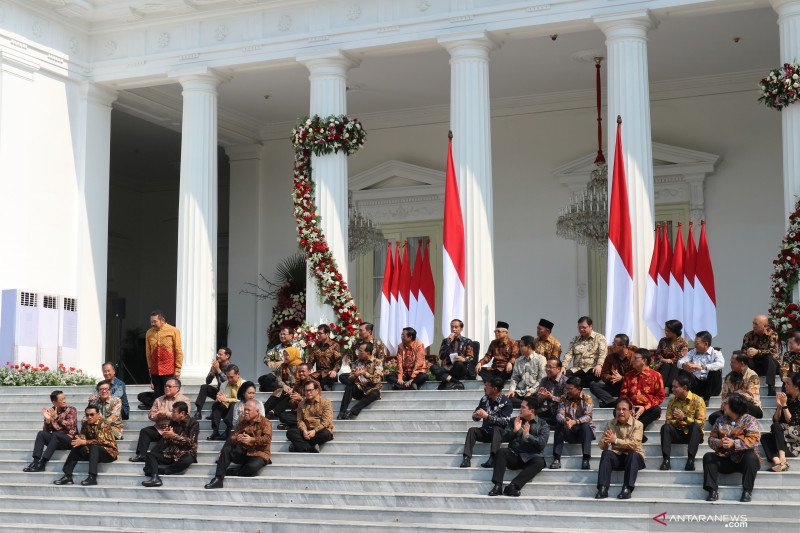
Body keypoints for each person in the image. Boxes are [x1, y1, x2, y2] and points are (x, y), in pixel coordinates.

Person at [703, 393, 761, 502]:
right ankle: (712, 490)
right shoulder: (720, 420)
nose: (723, 405)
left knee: (751, 456)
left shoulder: (749, 420)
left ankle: (747, 491)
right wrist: (719, 442)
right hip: (726, 459)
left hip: (744, 460)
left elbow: (754, 440)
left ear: (734, 406)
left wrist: (734, 443)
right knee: (708, 457)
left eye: (726, 403)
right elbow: (710, 439)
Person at [488, 396, 549, 497]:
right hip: (515, 456)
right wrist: (514, 431)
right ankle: (497, 486)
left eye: (523, 407)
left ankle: (513, 486)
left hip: (531, 457)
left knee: (540, 462)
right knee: (501, 452)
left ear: (532, 410)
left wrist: (528, 436)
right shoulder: (514, 421)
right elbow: (503, 437)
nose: (520, 409)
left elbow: (542, 444)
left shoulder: (543, 424)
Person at [204, 400, 272, 489]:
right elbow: (233, 436)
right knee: (227, 450)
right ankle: (218, 479)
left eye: (249, 410)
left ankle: (235, 471)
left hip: (259, 453)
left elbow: (267, 439)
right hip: (244, 451)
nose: (246, 412)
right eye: (245, 409)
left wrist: (252, 440)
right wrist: (237, 438)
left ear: (257, 411)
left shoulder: (265, 422)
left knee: (251, 468)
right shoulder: (243, 421)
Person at [53, 404, 118, 486]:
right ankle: (67, 476)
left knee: (94, 447)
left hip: (109, 452)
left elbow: (102, 441)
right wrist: (78, 439)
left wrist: (84, 442)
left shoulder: (104, 424)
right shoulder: (85, 424)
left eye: (92, 414)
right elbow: (83, 436)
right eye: (87, 415)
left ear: (98, 415)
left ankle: (92, 477)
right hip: (93, 453)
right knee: (77, 445)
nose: (89, 417)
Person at [129, 377, 191, 462]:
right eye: (165, 386)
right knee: (145, 431)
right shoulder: (159, 399)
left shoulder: (184, 400)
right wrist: (158, 415)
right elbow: (150, 415)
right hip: (159, 428)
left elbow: (185, 416)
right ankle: (141, 455)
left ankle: (155, 457)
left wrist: (166, 413)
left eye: (169, 386)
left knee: (163, 442)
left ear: (177, 388)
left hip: (174, 429)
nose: (166, 388)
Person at [595, 398, 645, 500]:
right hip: (619, 457)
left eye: (624, 409)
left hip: (634, 459)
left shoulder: (638, 424)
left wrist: (616, 440)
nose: (620, 412)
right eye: (618, 409)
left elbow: (634, 445)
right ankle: (603, 488)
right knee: (606, 453)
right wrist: (605, 441)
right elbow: (601, 446)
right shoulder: (610, 423)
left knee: (633, 455)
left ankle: (627, 489)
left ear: (630, 412)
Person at [141, 401, 199, 487]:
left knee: (187, 459)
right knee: (150, 455)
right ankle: (155, 477)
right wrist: (167, 434)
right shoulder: (173, 421)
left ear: (182, 413)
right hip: (172, 453)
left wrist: (174, 435)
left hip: (185, 453)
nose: (172, 414)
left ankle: (161, 470)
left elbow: (191, 442)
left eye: (174, 412)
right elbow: (168, 440)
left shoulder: (193, 423)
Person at [459, 376, 513, 468]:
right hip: (487, 431)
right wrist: (476, 415)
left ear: (495, 389)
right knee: (472, 430)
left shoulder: (506, 402)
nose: (485, 388)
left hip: (501, 434)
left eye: (487, 386)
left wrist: (487, 416)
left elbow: (505, 422)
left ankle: (493, 458)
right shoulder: (485, 399)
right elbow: (477, 414)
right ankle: (466, 458)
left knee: (497, 429)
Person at [660, 373, 706, 471]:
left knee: (695, 426)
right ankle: (666, 460)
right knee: (665, 427)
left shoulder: (698, 400)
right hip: (678, 432)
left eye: (675, 387)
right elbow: (668, 421)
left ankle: (690, 460)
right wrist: (677, 421)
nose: (672, 389)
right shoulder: (672, 401)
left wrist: (684, 418)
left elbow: (700, 422)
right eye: (672, 387)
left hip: (692, 435)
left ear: (684, 388)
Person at [23, 390, 78, 472]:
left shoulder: (71, 410)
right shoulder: (51, 411)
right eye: (61, 399)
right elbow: (46, 432)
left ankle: (43, 463)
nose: (64, 401)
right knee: (41, 434)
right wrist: (47, 421)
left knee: (56, 435)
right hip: (55, 440)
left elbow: (70, 426)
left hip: (68, 440)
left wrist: (56, 418)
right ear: (54, 402)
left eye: (64, 398)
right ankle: (35, 461)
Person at [619, 349, 664, 443]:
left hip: (647, 409)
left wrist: (644, 407)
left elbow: (660, 396)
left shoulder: (656, 375)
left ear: (644, 360)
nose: (632, 360)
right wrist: (630, 408)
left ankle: (636, 428)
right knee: (617, 411)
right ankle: (639, 432)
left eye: (635, 358)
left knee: (657, 410)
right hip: (632, 408)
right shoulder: (628, 375)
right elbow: (623, 394)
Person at [550, 376, 595, 470]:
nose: (567, 391)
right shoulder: (564, 398)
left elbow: (588, 416)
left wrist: (575, 421)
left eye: (570, 389)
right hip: (569, 430)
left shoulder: (587, 398)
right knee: (559, 425)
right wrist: (564, 420)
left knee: (586, 426)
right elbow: (559, 414)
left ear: (579, 389)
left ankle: (586, 459)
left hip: (583, 432)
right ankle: (556, 458)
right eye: (566, 388)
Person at [707, 351, 762, 426]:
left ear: (742, 364)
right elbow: (724, 396)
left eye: (733, 362)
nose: (730, 364)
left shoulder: (752, 376)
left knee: (742, 409)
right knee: (713, 417)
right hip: (732, 407)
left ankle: (733, 423)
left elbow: (750, 396)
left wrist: (734, 397)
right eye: (731, 362)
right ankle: (732, 423)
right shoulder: (729, 377)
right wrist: (726, 404)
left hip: (749, 406)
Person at [761, 372, 800, 472]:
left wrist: (784, 406)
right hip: (783, 439)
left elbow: (793, 422)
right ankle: (779, 463)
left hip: (795, 440)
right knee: (765, 437)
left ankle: (782, 458)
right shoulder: (787, 398)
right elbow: (775, 420)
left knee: (777, 426)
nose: (785, 386)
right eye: (785, 383)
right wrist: (779, 407)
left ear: (796, 386)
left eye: (788, 384)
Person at [144, 309, 183, 408]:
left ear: (162, 320)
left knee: (169, 394)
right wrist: (150, 370)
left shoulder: (173, 330)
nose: (152, 324)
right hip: (155, 370)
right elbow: (148, 353)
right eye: (151, 322)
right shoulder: (149, 333)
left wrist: (178, 369)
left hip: (168, 369)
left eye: (155, 321)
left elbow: (178, 350)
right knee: (158, 395)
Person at [338, 341, 382, 420]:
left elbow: (376, 380)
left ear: (368, 352)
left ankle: (352, 412)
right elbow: (350, 378)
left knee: (375, 393)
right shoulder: (357, 362)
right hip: (360, 389)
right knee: (349, 386)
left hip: (370, 390)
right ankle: (342, 412)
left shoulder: (377, 362)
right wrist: (355, 375)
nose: (358, 353)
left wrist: (365, 373)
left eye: (361, 351)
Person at [287, 380, 334, 453]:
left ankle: (299, 446)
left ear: (317, 390)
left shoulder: (326, 403)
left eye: (310, 390)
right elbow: (300, 420)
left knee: (325, 434)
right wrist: (304, 431)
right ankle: (310, 449)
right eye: (306, 390)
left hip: (319, 431)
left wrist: (314, 431)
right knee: (290, 432)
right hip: (307, 431)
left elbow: (326, 422)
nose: (308, 393)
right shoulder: (301, 404)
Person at [677, 331, 724, 405]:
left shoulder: (715, 352)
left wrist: (703, 367)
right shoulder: (692, 352)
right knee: (683, 370)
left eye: (697, 343)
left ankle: (706, 399)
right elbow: (680, 362)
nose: (695, 345)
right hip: (697, 384)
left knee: (715, 370)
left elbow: (721, 364)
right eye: (695, 343)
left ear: (706, 344)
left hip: (711, 387)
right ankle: (684, 396)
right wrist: (685, 365)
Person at [590, 334, 635, 408]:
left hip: (628, 387)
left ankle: (610, 403)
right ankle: (613, 402)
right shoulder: (610, 357)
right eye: (613, 343)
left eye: (615, 344)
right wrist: (612, 378)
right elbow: (603, 374)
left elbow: (636, 376)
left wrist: (622, 378)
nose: (612, 346)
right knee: (593, 385)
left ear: (623, 346)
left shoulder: (633, 357)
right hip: (614, 385)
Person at [562, 316, 607, 388]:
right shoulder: (575, 339)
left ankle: (578, 385)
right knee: (564, 375)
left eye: (583, 327)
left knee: (593, 374)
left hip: (591, 369)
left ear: (590, 326)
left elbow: (603, 354)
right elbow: (569, 354)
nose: (581, 329)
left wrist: (599, 365)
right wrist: (563, 366)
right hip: (577, 369)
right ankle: (577, 384)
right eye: (579, 327)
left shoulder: (599, 338)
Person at [742, 314, 780, 396]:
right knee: (744, 358)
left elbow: (772, 351)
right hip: (755, 365)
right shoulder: (748, 335)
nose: (753, 326)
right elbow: (743, 350)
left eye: (756, 324)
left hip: (770, 366)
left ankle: (771, 387)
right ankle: (745, 386)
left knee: (769, 358)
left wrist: (757, 352)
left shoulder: (773, 335)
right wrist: (748, 352)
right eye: (753, 323)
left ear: (765, 326)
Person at [432, 319, 475, 389]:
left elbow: (471, 357)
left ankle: (445, 382)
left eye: (456, 327)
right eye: (452, 327)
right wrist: (448, 343)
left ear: (461, 329)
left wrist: (464, 359)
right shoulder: (445, 341)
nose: (453, 329)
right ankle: (456, 382)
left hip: (460, 368)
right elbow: (441, 356)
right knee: (433, 367)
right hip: (448, 368)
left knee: (458, 363)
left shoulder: (467, 341)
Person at [193, 347, 234, 419]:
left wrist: (218, 370)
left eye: (220, 354)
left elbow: (229, 382)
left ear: (227, 356)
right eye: (217, 354)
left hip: (229, 393)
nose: (218, 356)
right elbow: (207, 381)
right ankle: (198, 412)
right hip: (219, 391)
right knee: (204, 387)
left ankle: (215, 414)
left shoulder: (232, 367)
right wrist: (213, 373)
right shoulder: (216, 365)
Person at [263, 347, 303, 419]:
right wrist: (284, 385)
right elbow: (278, 379)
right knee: (277, 393)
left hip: (297, 390)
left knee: (291, 395)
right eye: (284, 355)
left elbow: (301, 380)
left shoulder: (301, 366)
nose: (285, 357)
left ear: (293, 355)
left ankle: (273, 413)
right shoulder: (283, 366)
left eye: (287, 355)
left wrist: (293, 388)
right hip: (285, 389)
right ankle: (262, 411)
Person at [506, 335, 546, 408]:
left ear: (529, 346)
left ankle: (526, 404)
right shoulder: (518, 360)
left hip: (534, 393)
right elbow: (515, 378)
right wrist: (511, 390)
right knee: (506, 399)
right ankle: (525, 404)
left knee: (536, 400)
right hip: (520, 393)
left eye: (521, 346)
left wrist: (530, 391)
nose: (519, 348)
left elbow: (541, 380)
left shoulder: (540, 359)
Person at [207, 365, 244, 441]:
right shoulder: (224, 384)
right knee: (216, 405)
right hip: (226, 408)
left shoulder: (244, 384)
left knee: (234, 404)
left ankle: (229, 430)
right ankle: (215, 431)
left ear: (238, 374)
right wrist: (219, 398)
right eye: (228, 377)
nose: (229, 379)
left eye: (231, 377)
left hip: (239, 410)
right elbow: (221, 396)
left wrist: (227, 399)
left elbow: (242, 400)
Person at [259, 327, 301, 392]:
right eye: (280, 334)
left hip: (292, 372)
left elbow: (300, 359)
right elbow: (266, 357)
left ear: (291, 336)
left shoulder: (297, 345)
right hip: (278, 373)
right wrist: (269, 362)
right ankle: (281, 389)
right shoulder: (277, 347)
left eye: (284, 334)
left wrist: (282, 362)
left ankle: (282, 390)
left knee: (265, 384)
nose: (281, 336)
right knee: (261, 379)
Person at [652, 320, 689, 394]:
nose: (665, 333)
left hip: (676, 365)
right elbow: (658, 353)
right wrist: (664, 360)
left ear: (674, 331)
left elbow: (682, 357)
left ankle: (668, 387)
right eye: (665, 330)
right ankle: (661, 387)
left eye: (668, 331)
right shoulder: (663, 340)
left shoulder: (683, 342)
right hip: (662, 364)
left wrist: (671, 360)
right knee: (666, 366)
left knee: (674, 366)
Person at [307, 324, 342, 391]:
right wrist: (307, 370)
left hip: (329, 374)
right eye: (317, 333)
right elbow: (310, 361)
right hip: (318, 374)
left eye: (320, 333)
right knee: (307, 380)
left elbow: (339, 360)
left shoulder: (334, 345)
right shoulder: (316, 346)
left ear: (327, 334)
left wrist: (334, 371)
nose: (318, 335)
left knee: (324, 382)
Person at [536, 358, 567, 427]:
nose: (547, 369)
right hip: (546, 410)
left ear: (558, 369)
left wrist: (551, 397)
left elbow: (566, 400)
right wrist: (542, 397)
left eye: (550, 367)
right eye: (546, 366)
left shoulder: (566, 381)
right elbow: (538, 400)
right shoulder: (544, 380)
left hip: (560, 411)